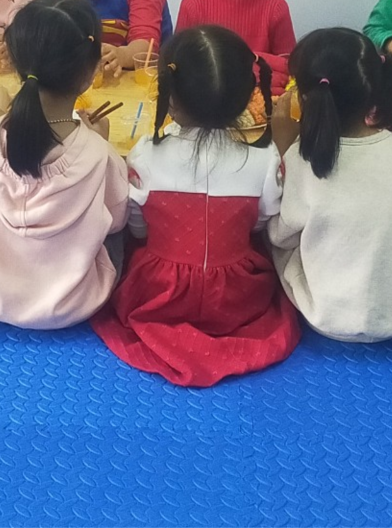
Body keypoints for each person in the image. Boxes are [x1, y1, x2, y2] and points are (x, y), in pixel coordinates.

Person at [91, 25, 300, 387]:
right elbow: (261, 222)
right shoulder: (265, 157)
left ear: (170, 98)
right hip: (237, 296)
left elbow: (138, 227)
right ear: (247, 96)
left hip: (159, 293)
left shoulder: (145, 153)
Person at [0, 0, 128, 329]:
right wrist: (103, 144)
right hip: (75, 304)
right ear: (90, 73)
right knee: (121, 230)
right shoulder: (96, 151)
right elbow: (118, 219)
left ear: (17, 64)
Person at [267, 28, 392, 342]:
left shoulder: (301, 157)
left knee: (270, 237)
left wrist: (281, 148)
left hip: (332, 318)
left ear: (305, 98)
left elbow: (281, 235)